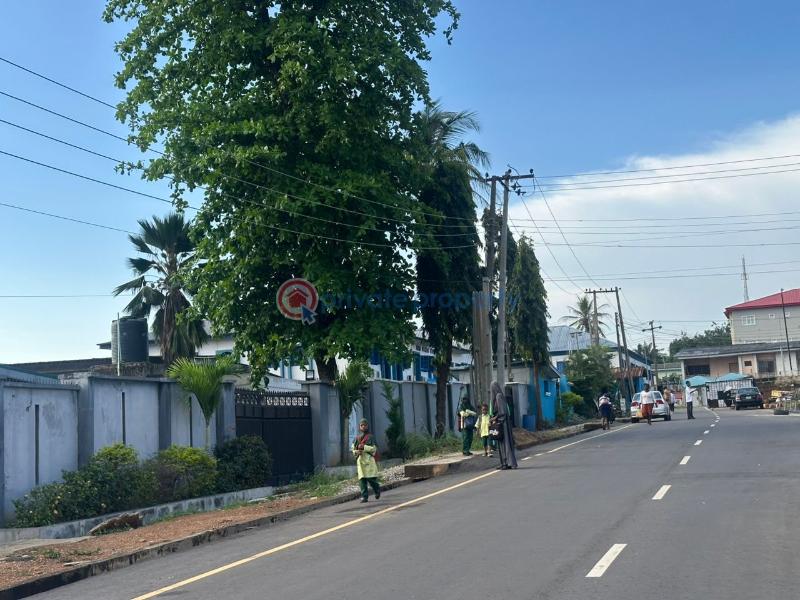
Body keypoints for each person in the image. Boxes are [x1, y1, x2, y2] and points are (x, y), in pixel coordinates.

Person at [352, 418, 381, 503]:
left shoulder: (371, 437)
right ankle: (364, 497)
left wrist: (364, 447)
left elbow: (374, 449)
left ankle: (377, 490)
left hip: (369, 461)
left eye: (365, 425)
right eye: (361, 425)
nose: (363, 427)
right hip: (360, 462)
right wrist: (356, 451)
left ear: (367, 426)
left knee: (371, 479)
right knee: (362, 480)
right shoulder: (357, 438)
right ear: (359, 427)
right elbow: (353, 449)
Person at [491, 381, 518, 470]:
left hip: (503, 425)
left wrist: (495, 419)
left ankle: (507, 463)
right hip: (502, 424)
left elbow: (503, 412)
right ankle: (505, 463)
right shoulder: (499, 397)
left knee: (504, 444)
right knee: (502, 444)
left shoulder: (498, 397)